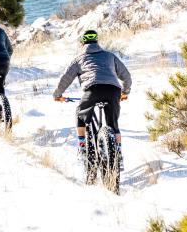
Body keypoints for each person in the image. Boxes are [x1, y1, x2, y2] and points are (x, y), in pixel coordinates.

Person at [53, 29, 131, 163]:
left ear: (83, 43)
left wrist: (58, 95)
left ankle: (83, 147)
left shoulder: (79, 59)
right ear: (97, 41)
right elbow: (126, 76)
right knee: (113, 125)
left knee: (80, 113)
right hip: (113, 91)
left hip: (92, 89)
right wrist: (125, 92)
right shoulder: (110, 56)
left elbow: (65, 78)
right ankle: (118, 154)